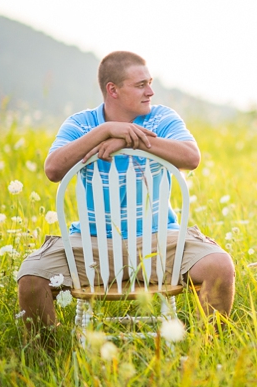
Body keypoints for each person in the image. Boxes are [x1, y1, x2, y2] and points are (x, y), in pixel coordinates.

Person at [16, 51, 235, 334]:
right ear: (113, 90)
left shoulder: (162, 118)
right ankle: (45, 357)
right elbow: (53, 170)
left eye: (150, 82)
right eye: (141, 84)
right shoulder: (81, 124)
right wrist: (105, 131)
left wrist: (129, 139)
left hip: (158, 239)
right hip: (92, 241)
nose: (150, 91)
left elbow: (191, 158)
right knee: (31, 277)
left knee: (220, 265)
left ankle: (210, 354)